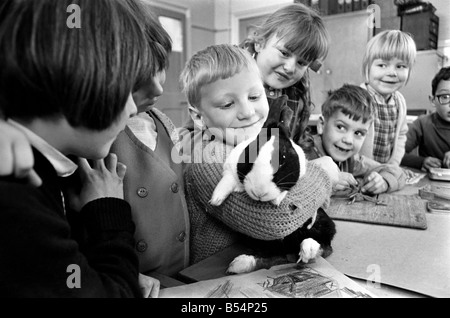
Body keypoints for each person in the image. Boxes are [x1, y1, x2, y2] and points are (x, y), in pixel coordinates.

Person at [0, 0, 155, 297]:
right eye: (127, 89)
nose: (133, 108)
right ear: (86, 77)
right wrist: (107, 213)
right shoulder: (14, 195)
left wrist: (94, 274)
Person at [179, 44, 339, 264]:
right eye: (227, 104)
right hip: (217, 278)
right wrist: (322, 174)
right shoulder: (209, 160)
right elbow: (276, 221)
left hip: (266, 268)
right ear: (199, 117)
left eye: (254, 96)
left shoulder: (262, 143)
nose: (247, 112)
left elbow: (295, 191)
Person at [239, 2, 329, 150]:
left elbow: (295, 144)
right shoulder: (226, 80)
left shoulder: (297, 96)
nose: (290, 68)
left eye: (301, 62)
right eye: (284, 53)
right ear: (259, 44)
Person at [307, 84, 406, 194]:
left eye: (358, 133)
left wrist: (383, 182)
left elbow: (398, 172)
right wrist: (323, 179)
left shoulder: (352, 160)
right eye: (341, 127)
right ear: (321, 125)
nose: (349, 140)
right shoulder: (303, 153)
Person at [359, 30, 417, 166]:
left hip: (384, 172)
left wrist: (392, 166)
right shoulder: (358, 98)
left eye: (401, 66)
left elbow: (402, 135)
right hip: (358, 169)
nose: (392, 73)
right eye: (382, 65)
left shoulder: (400, 102)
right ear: (367, 67)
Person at [401, 67, 450, 170]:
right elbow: (395, 154)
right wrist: (421, 162)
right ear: (433, 100)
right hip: (430, 183)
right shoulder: (423, 123)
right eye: (445, 97)